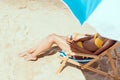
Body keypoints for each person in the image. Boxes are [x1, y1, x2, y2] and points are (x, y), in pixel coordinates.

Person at [19, 33, 116, 61]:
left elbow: (94, 55)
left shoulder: (110, 40)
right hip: (77, 45)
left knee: (53, 38)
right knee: (51, 35)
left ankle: (34, 55)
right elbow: (90, 38)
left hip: (80, 53)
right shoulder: (105, 30)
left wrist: (75, 46)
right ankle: (30, 50)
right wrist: (77, 39)